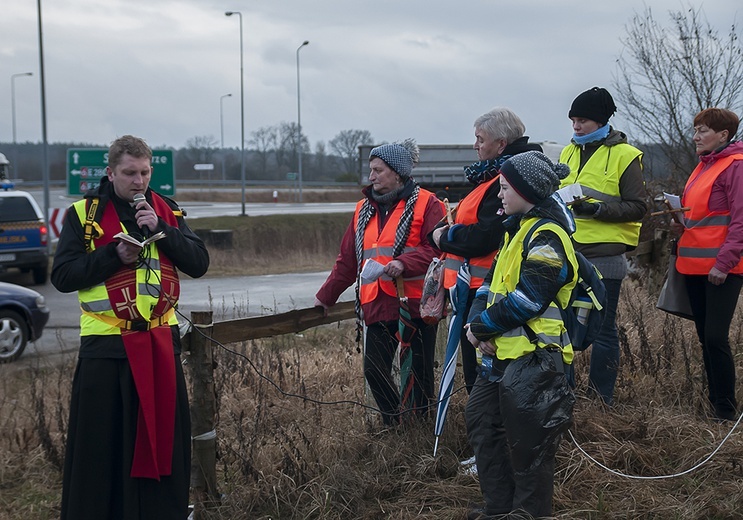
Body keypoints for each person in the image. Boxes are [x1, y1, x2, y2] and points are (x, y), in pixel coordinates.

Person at [52, 135, 210, 519]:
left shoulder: (166, 210)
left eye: (144, 172)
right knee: (101, 448)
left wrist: (163, 230)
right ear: (111, 172)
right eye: (129, 173)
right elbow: (62, 276)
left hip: (160, 343)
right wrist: (113, 255)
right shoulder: (83, 214)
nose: (138, 181)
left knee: (162, 444)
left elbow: (199, 263)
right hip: (106, 349)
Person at [464, 151, 577, 519]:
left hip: (535, 359)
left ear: (526, 189)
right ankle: (499, 510)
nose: (499, 194)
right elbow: (488, 286)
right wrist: (477, 323)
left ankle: (528, 514)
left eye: (504, 187)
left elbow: (529, 299)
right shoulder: (516, 229)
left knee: (529, 445)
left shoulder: (548, 236)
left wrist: (479, 328)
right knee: (482, 423)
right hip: (499, 355)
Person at [314, 139, 444, 425]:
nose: (370, 177)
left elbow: (437, 249)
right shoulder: (362, 209)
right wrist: (326, 296)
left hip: (415, 306)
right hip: (376, 304)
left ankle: (420, 429)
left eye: (378, 170)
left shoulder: (428, 204)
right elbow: (348, 260)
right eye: (370, 170)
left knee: (420, 375)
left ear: (397, 172)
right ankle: (395, 425)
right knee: (374, 370)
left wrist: (402, 264)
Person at [429, 107, 543, 393]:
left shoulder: (509, 178)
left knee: (483, 376)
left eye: (480, 138)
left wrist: (445, 237)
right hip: (475, 288)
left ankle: (490, 433)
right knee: (480, 374)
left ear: (501, 143)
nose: (475, 145)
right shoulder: (493, 176)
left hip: (487, 290)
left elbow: (487, 235)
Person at [559, 86, 647, 405]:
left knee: (604, 331)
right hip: (569, 254)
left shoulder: (626, 156)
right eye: (573, 120)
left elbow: (638, 206)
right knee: (563, 326)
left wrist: (597, 209)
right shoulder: (567, 153)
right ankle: (564, 395)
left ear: (601, 121)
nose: (576, 126)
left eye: (582, 120)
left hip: (606, 257)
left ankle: (601, 401)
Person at [673, 108, 743, 422]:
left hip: (721, 269)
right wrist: (680, 222)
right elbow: (703, 217)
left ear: (723, 135)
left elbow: (740, 222)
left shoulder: (736, 167)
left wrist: (724, 263)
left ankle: (726, 412)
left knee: (715, 337)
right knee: (705, 337)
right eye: (696, 130)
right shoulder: (702, 167)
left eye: (702, 131)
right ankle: (714, 405)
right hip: (693, 265)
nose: (696, 137)